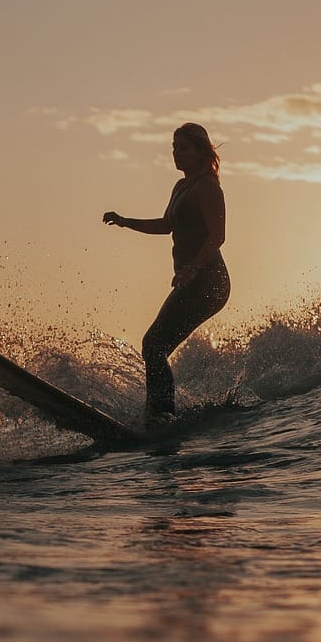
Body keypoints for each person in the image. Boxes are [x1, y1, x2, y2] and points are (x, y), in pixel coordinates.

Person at [103, 123, 230, 422]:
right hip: (192, 281)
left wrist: (193, 268)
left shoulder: (208, 187)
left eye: (183, 147)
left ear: (201, 151)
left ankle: (161, 416)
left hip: (209, 281)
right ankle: (160, 413)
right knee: (154, 346)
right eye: (173, 147)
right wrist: (124, 221)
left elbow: (217, 237)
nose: (176, 153)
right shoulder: (181, 187)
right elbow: (166, 225)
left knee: (154, 344)